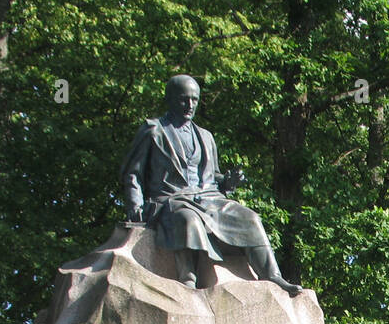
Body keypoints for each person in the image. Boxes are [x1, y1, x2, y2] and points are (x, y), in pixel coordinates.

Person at [119, 75, 302, 293]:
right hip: (170, 198)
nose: (190, 105)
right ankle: (187, 278)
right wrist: (135, 207)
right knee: (188, 219)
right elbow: (133, 173)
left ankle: (273, 276)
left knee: (250, 218)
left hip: (209, 198)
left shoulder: (205, 136)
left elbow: (211, 176)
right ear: (170, 99)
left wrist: (228, 182)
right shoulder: (153, 130)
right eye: (184, 99)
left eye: (194, 100)